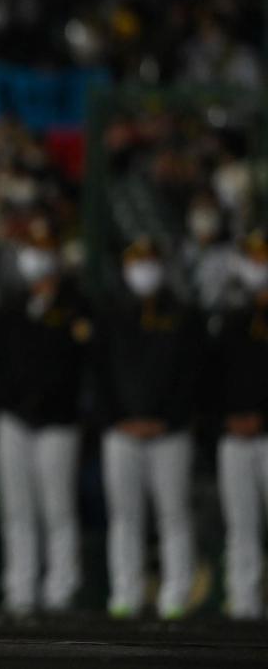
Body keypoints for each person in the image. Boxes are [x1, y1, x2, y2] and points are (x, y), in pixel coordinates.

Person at [95, 237, 201, 620]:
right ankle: (126, 593)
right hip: (122, 431)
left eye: (150, 260)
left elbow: (191, 375)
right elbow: (100, 372)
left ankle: (177, 596)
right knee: (125, 516)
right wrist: (118, 419)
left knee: (174, 514)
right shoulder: (112, 314)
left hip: (168, 432)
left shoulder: (183, 315)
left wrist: (168, 419)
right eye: (136, 261)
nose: (143, 269)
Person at [0, 215, 90, 615]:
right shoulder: (10, 305)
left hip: (57, 420)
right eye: (31, 250)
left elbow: (76, 364)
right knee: (17, 508)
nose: (36, 259)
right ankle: (19, 589)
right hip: (14, 418)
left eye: (44, 251)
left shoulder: (75, 305)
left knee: (58, 508)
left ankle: (61, 589)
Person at [214, 230, 268, 619]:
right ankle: (243, 600)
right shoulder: (231, 319)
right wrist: (227, 418)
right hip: (233, 433)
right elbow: (212, 377)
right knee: (240, 525)